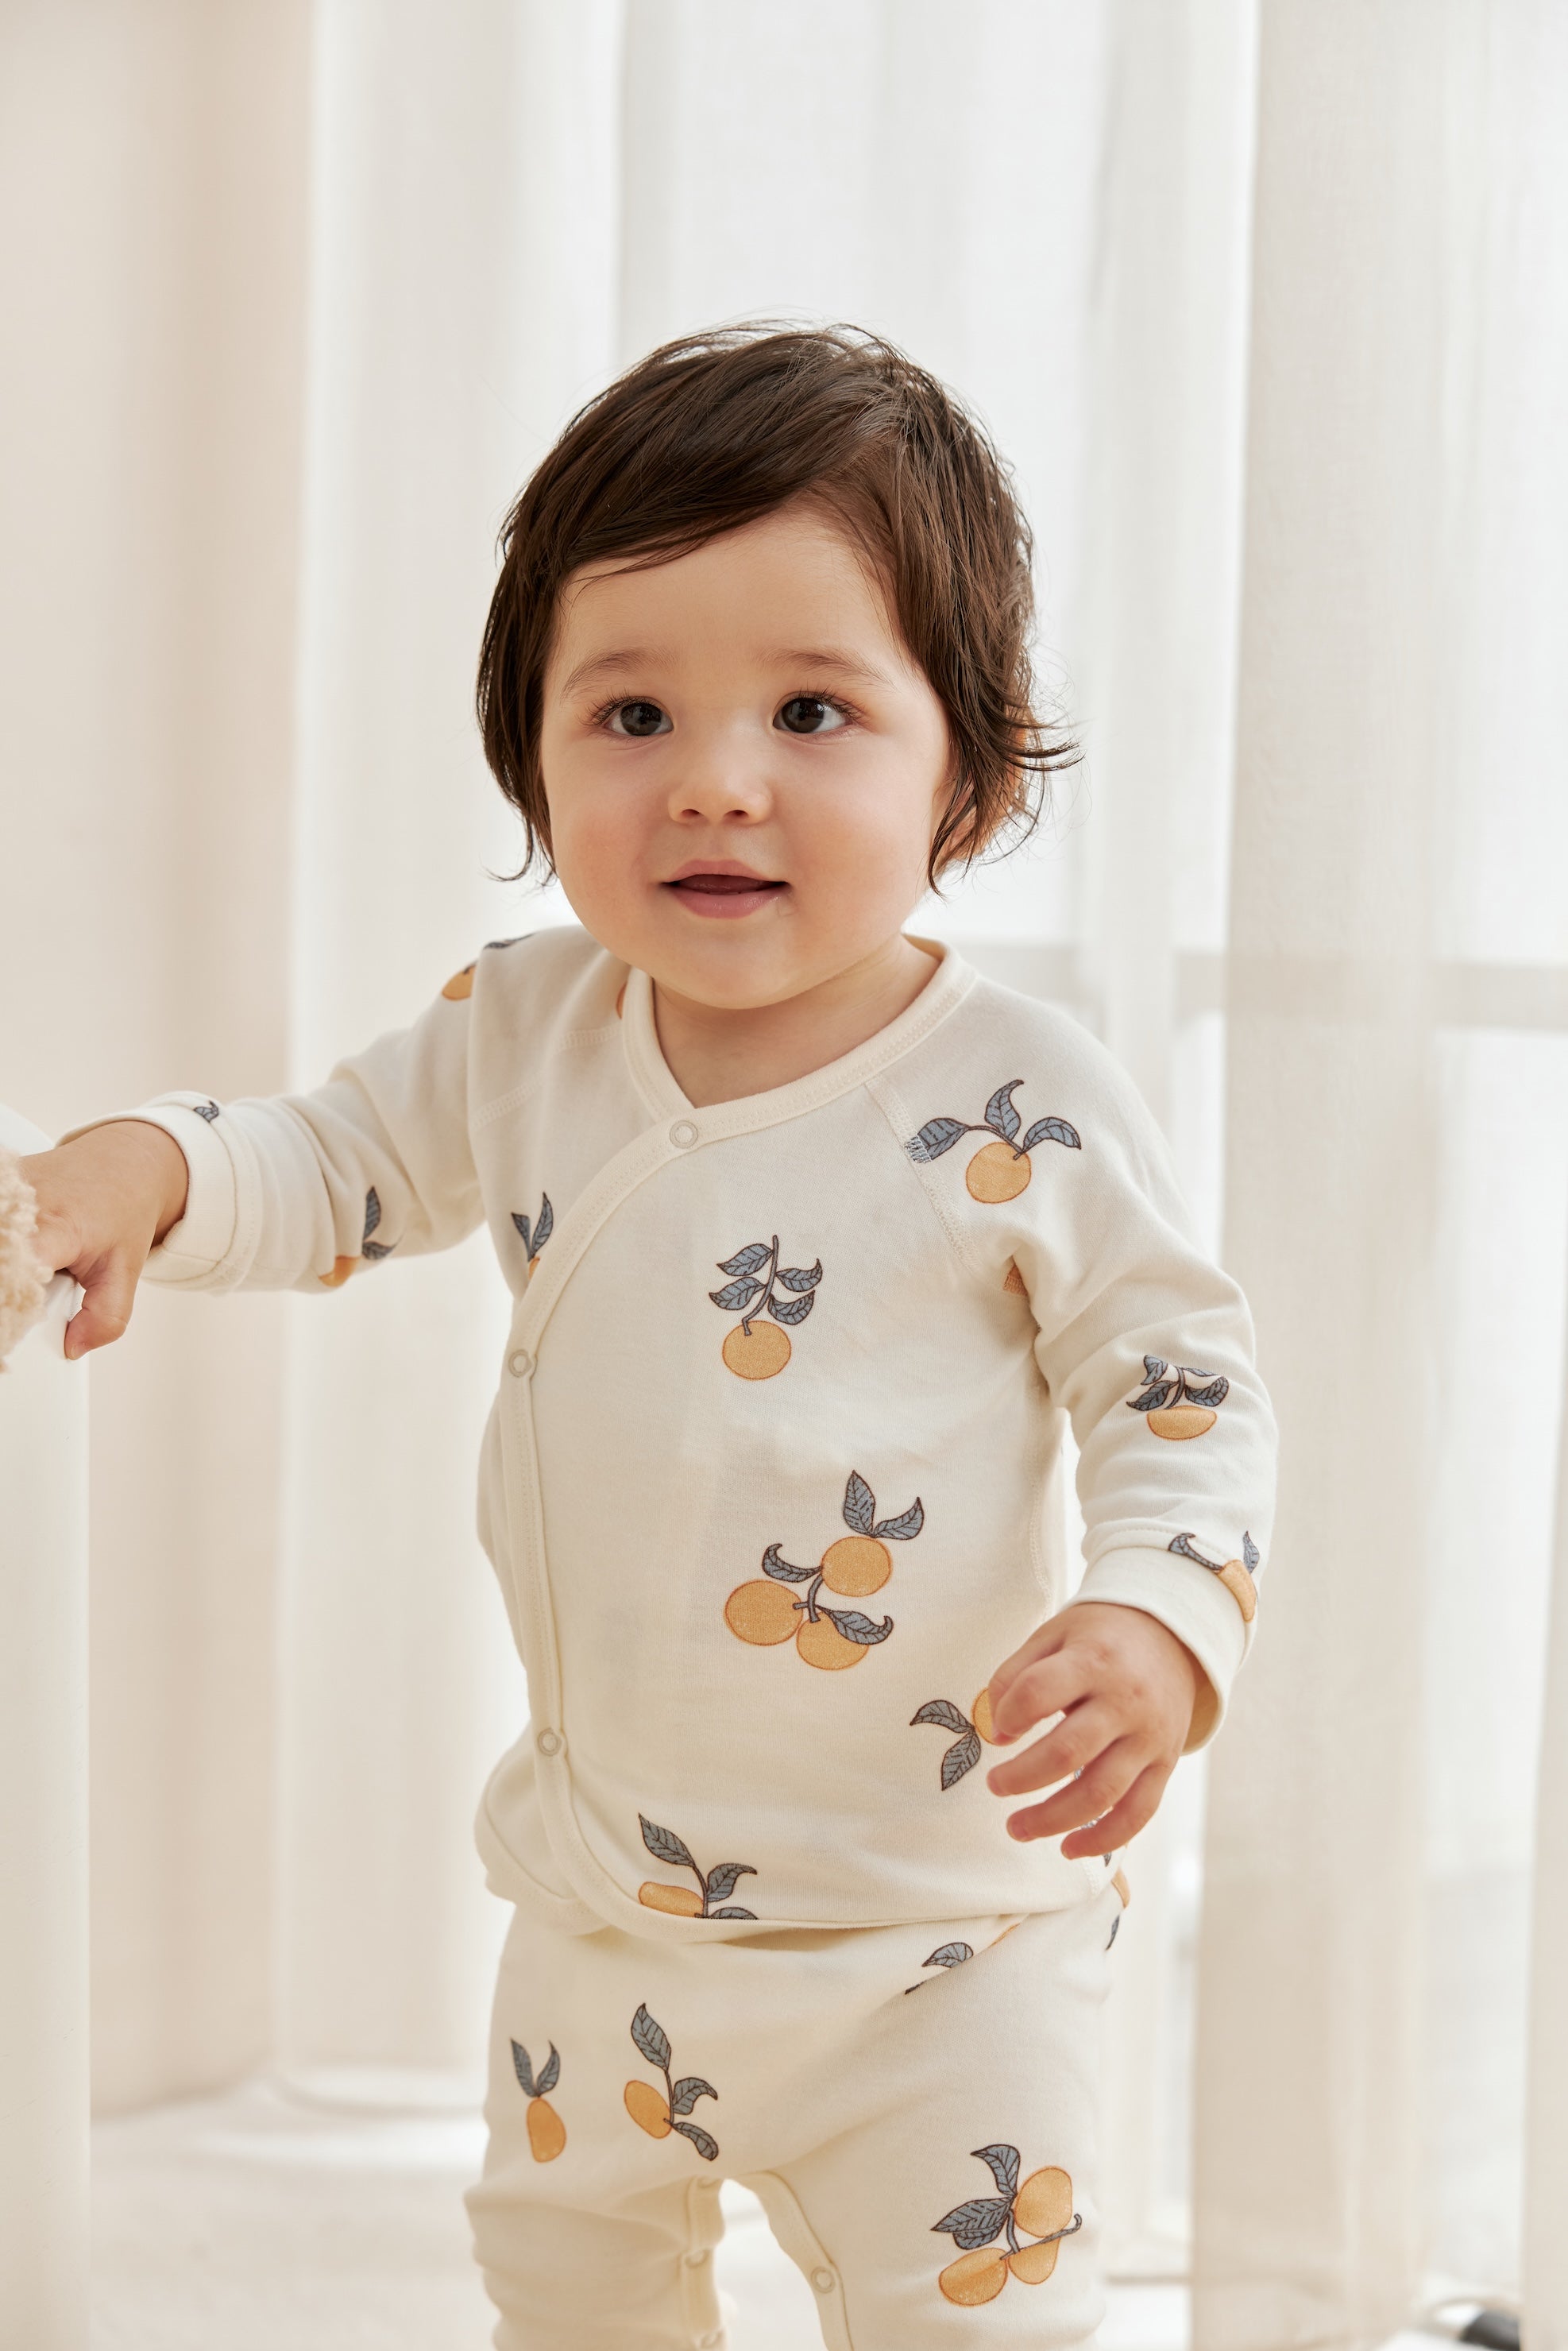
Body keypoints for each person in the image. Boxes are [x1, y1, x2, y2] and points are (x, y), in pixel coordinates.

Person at [21, 324, 1276, 2349]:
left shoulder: (1018, 1095)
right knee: (569, 2282)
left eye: (811, 707)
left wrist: (1160, 1618)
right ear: (529, 744)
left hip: (941, 1931)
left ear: (971, 750)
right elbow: (330, 1159)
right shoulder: (528, 1033)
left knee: (985, 2321)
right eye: (628, 710)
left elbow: (1181, 1383)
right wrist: (147, 1172)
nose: (714, 776)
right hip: (609, 1908)